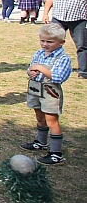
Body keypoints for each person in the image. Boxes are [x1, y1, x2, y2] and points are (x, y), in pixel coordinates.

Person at [20, 23, 72, 165]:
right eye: (42, 41)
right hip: (36, 90)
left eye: (50, 41)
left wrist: (40, 68)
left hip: (50, 92)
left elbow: (58, 77)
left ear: (61, 42)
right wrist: (31, 71)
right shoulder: (38, 54)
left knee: (52, 121)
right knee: (39, 117)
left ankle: (56, 153)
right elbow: (31, 68)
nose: (45, 44)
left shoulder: (63, 58)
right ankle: (40, 142)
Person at [42, 0, 87, 79]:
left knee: (82, 45)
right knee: (50, 43)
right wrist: (45, 13)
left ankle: (83, 71)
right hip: (58, 18)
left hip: (79, 19)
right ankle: (48, 67)